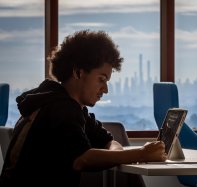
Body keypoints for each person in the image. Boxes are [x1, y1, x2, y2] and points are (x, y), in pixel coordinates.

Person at [0, 30, 166, 187]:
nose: (106, 89)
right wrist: (141, 154)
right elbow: (82, 159)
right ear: (78, 73)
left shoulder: (59, 103)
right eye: (101, 79)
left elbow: (108, 140)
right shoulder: (60, 109)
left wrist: (117, 152)